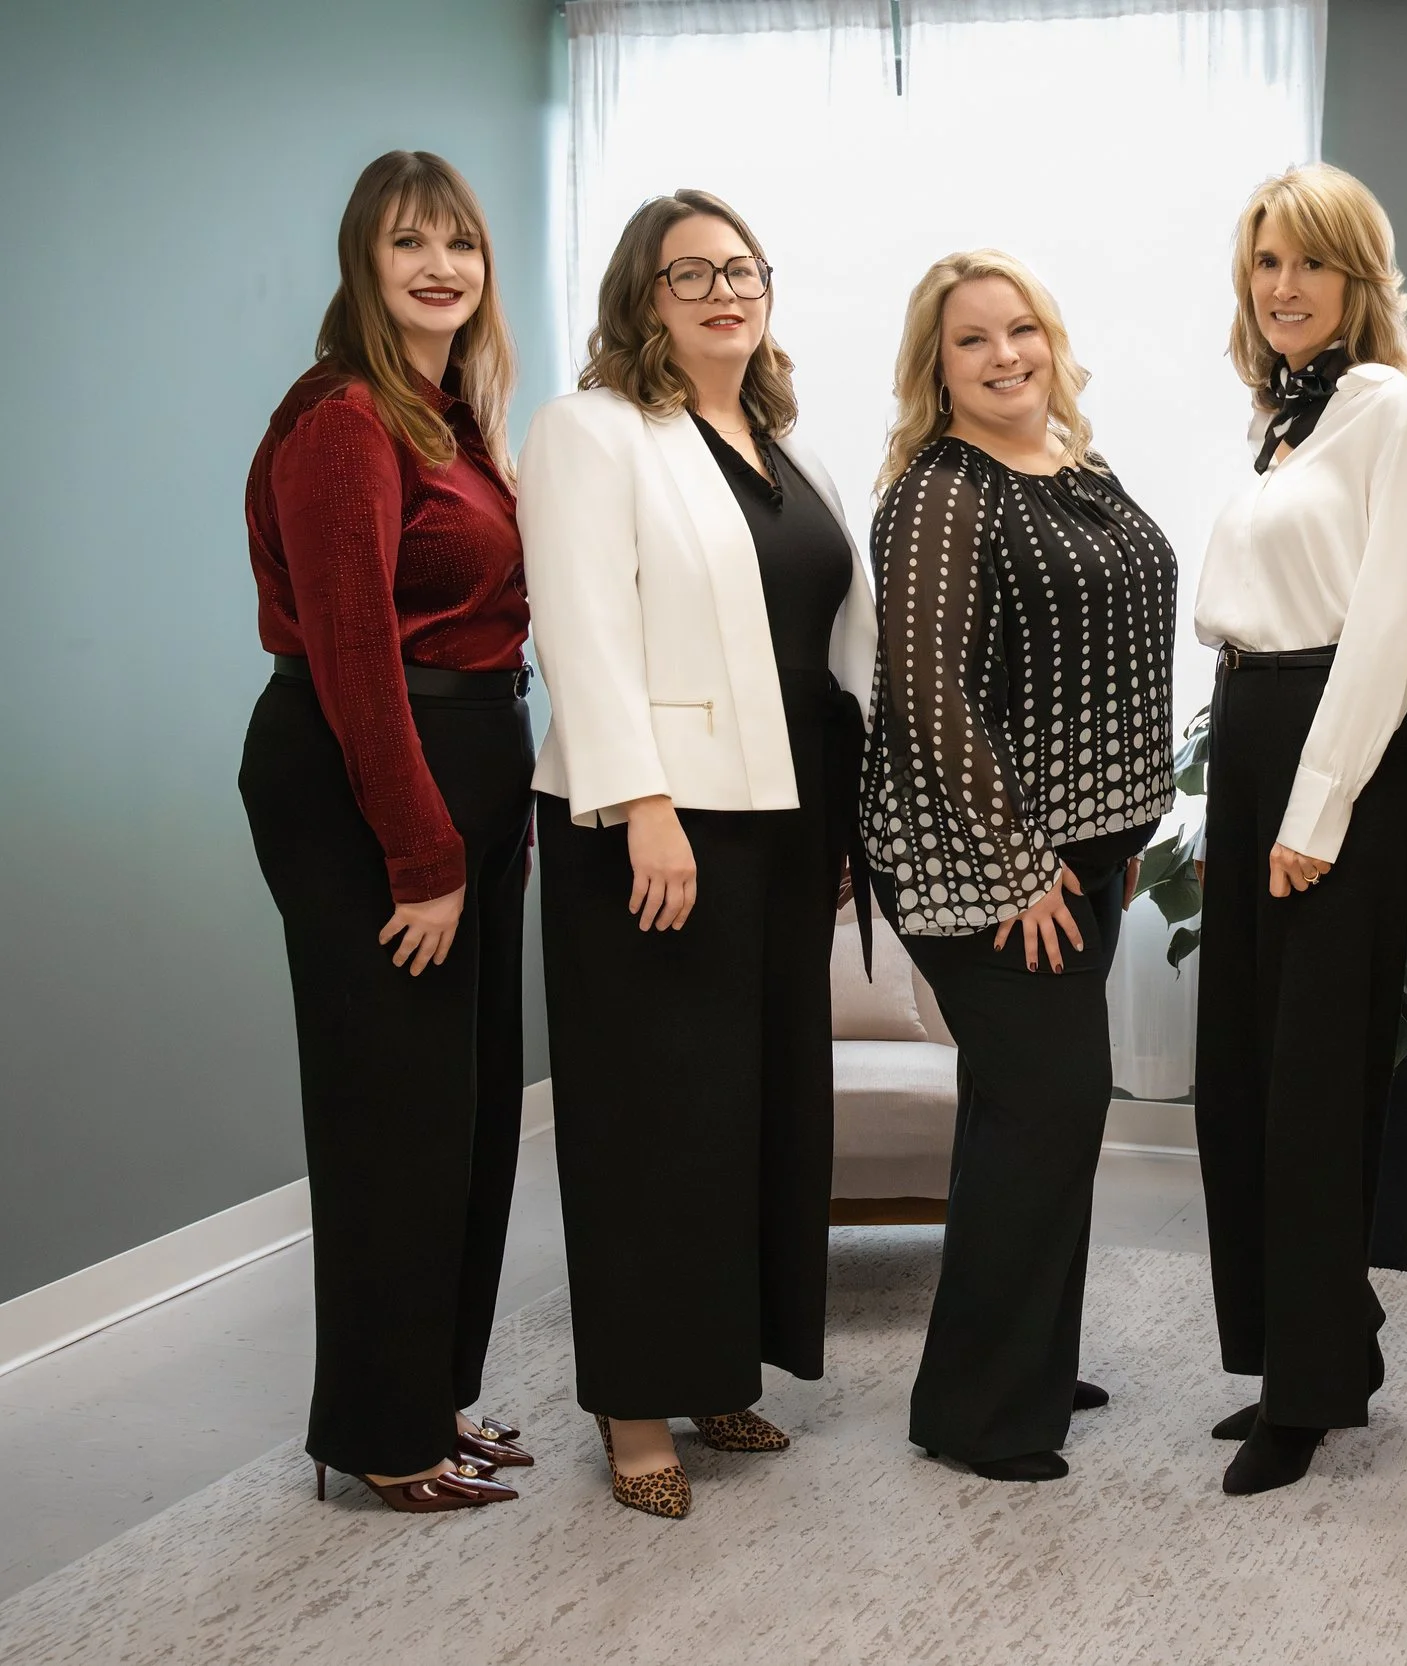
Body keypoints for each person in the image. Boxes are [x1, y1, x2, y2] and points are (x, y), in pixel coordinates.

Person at [520, 190, 878, 1519]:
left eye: (743, 269)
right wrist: (642, 801)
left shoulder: (787, 443)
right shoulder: (592, 431)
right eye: (691, 274)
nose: (725, 291)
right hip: (656, 824)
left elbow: (827, 649)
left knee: (759, 1110)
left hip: (785, 819)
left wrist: (839, 824)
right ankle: (634, 1407)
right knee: (650, 1119)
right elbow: (580, 624)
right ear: (644, 296)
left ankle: (722, 1365)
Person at [239, 149, 533, 1513]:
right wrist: (424, 857)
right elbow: (356, 657)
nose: (439, 267)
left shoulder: (447, 414)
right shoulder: (346, 418)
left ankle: (433, 1395)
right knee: (392, 1117)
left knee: (465, 1110)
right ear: (364, 262)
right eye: (409, 243)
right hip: (372, 782)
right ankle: (374, 1427)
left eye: (459, 243)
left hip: (462, 764)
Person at [866, 251, 1176, 1484]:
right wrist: (1020, 865)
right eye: (971, 341)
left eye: (1020, 330)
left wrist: (1121, 836)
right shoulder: (942, 491)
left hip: (1083, 853)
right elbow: (930, 697)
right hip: (982, 862)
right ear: (933, 369)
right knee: (1052, 1105)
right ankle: (978, 1411)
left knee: (1024, 1111)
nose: (1005, 356)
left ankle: (1025, 1359)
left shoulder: (1077, 466)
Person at [1191, 164, 1407, 1496]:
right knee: (1241, 1067)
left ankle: (1310, 1395)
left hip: (1325, 751)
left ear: (1359, 279)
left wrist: (1319, 802)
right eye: (1266, 262)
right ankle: (1313, 1343)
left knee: (1310, 1087)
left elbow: (1395, 619)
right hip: (1248, 738)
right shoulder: (1279, 420)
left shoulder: (1393, 410)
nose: (1282, 287)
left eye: (1310, 264)